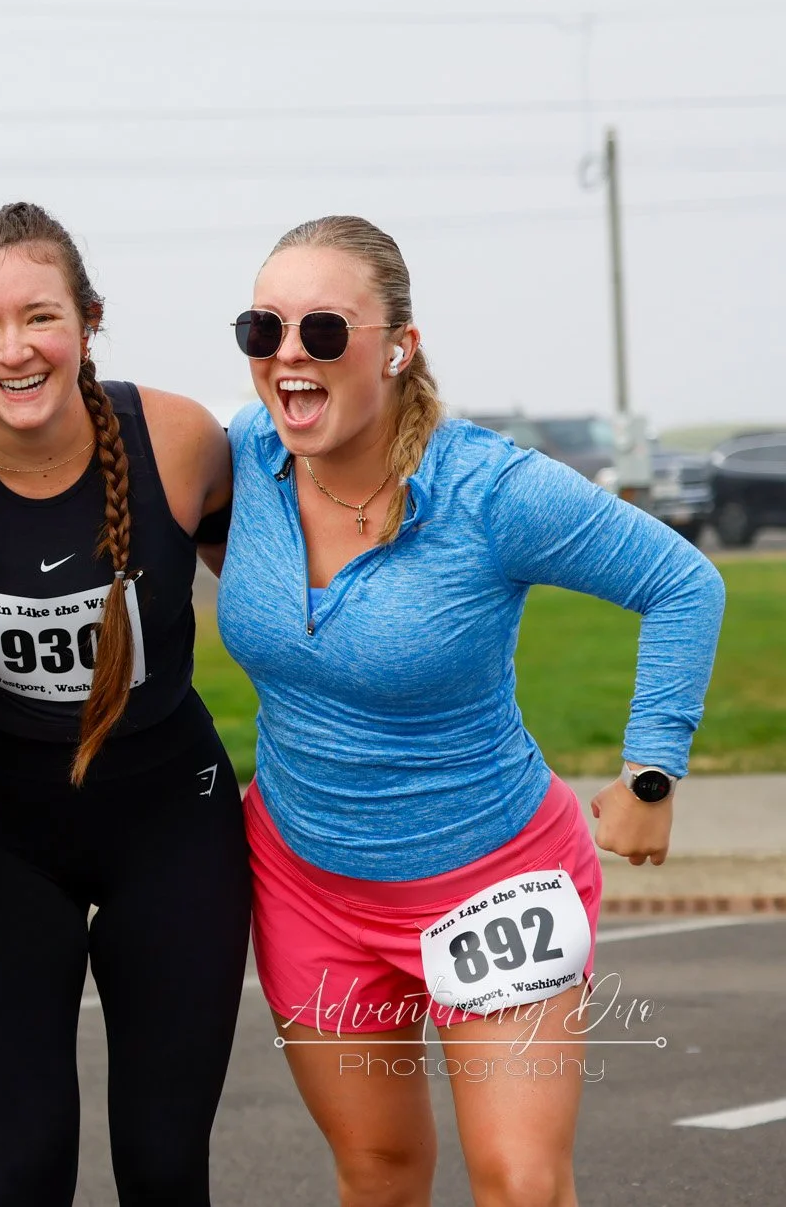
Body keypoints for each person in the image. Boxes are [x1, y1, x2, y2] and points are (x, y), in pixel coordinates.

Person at [218, 216, 725, 1206]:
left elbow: (681, 582)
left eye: (322, 332)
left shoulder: (490, 490)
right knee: (377, 1174)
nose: (285, 355)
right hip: (308, 885)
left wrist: (648, 772)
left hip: (490, 884)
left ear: (397, 347)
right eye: (259, 329)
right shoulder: (243, 456)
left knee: (519, 1182)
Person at [0, 203, 246, 1206]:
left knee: (165, 1165)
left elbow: (281, 610)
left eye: (39, 317)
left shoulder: (178, 439)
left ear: (87, 319)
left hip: (172, 823)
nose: (14, 351)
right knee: (25, 1166)